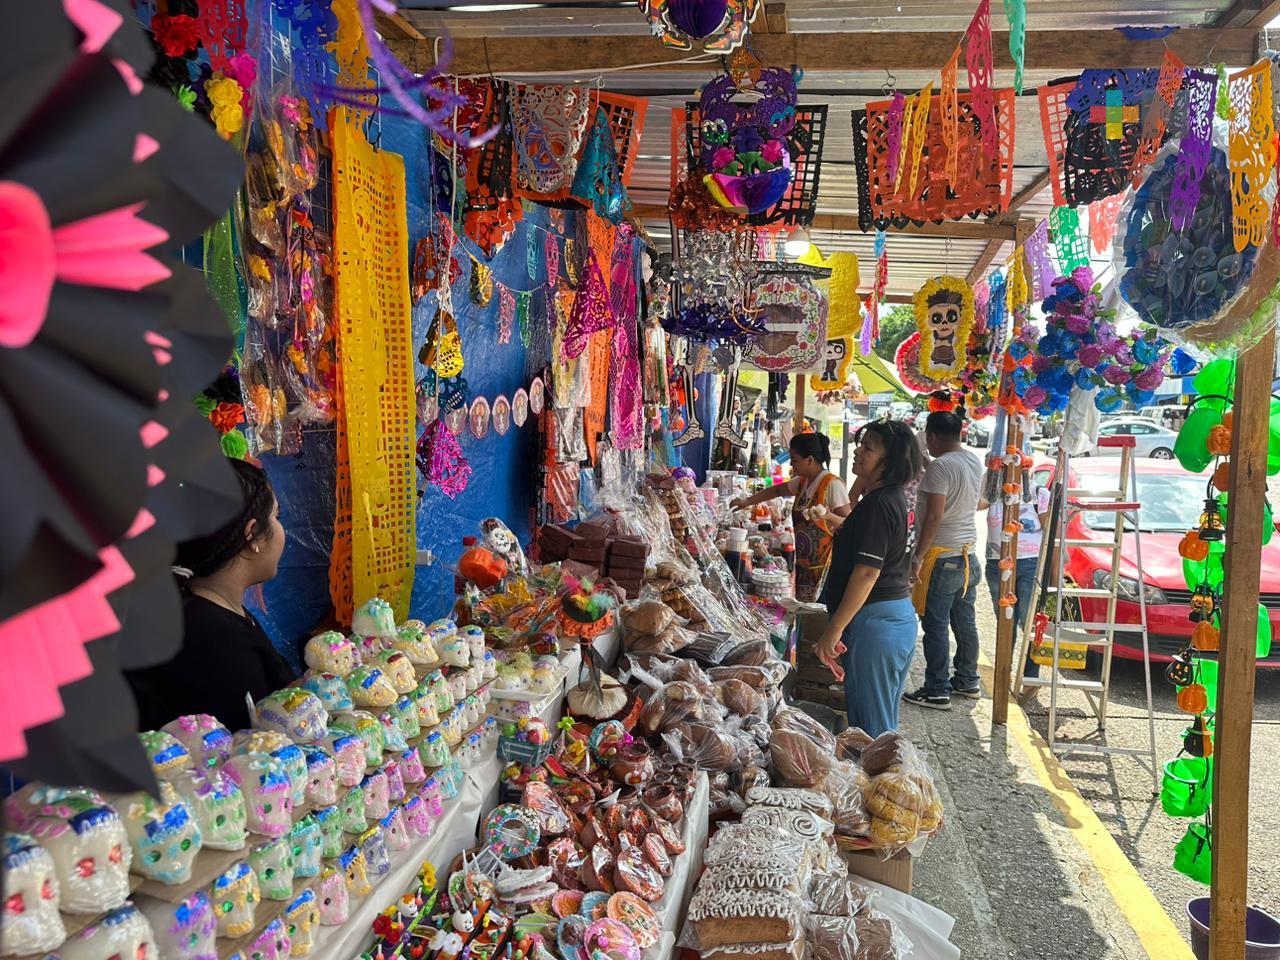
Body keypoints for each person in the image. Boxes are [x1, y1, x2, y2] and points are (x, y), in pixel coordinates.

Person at [126, 459, 293, 731]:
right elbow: (249, 755)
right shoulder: (215, 643)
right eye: (276, 516)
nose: (281, 529)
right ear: (253, 536)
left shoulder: (205, 610)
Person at [813, 420, 923, 736]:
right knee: (874, 726)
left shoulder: (881, 502)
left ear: (890, 462)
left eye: (869, 448)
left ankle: (884, 786)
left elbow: (868, 572)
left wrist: (833, 631)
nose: (859, 452)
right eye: (861, 445)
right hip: (888, 619)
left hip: (876, 625)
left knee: (873, 734)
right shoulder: (889, 499)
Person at [903, 411, 985, 710]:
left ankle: (936, 688)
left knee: (935, 624)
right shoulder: (971, 460)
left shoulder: (940, 467)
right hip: (968, 556)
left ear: (932, 436)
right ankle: (967, 680)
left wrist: (918, 557)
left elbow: (935, 516)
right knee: (965, 621)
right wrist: (926, 460)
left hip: (941, 557)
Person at [731, 433, 852, 602]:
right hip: (804, 566)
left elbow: (850, 524)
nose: (792, 464)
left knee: (818, 616)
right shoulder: (803, 482)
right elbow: (777, 490)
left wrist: (828, 515)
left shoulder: (831, 485)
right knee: (805, 612)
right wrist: (747, 501)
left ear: (810, 460)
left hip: (825, 568)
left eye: (794, 460)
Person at [979, 464, 1050, 681]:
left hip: (1030, 564)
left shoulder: (1039, 494)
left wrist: (1054, 571)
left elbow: (1049, 533)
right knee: (1005, 620)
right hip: (997, 564)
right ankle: (1004, 673)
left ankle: (1030, 676)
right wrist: (991, 475)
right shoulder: (993, 494)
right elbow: (975, 503)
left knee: (1029, 622)